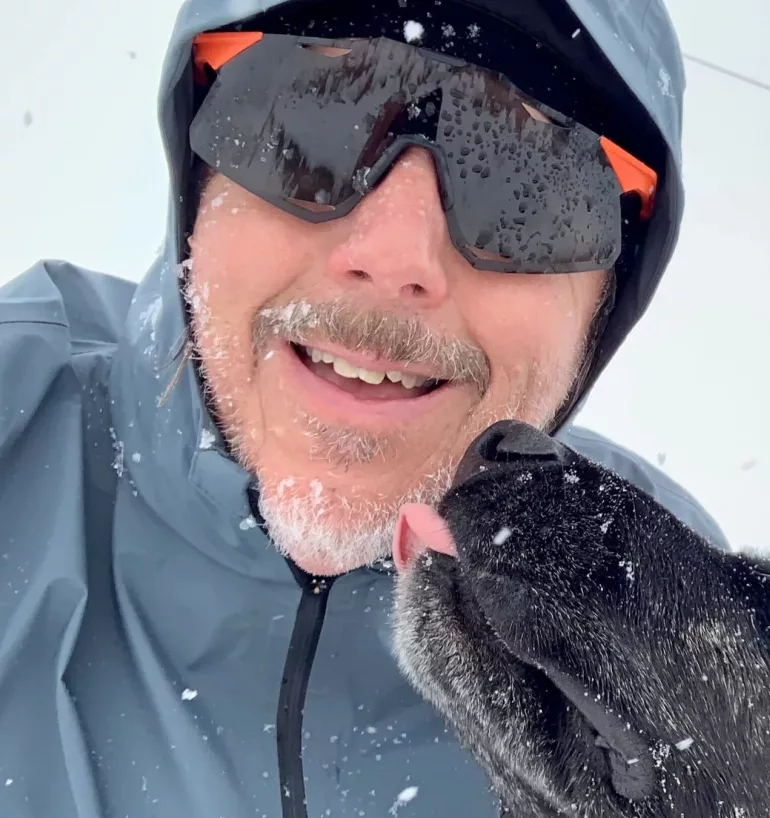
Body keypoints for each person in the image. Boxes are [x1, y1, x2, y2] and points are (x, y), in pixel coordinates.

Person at [0, 0, 727, 816]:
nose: (392, 258)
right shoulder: (15, 424)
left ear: (608, 297)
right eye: (309, 116)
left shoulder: (655, 606)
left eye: (532, 180)